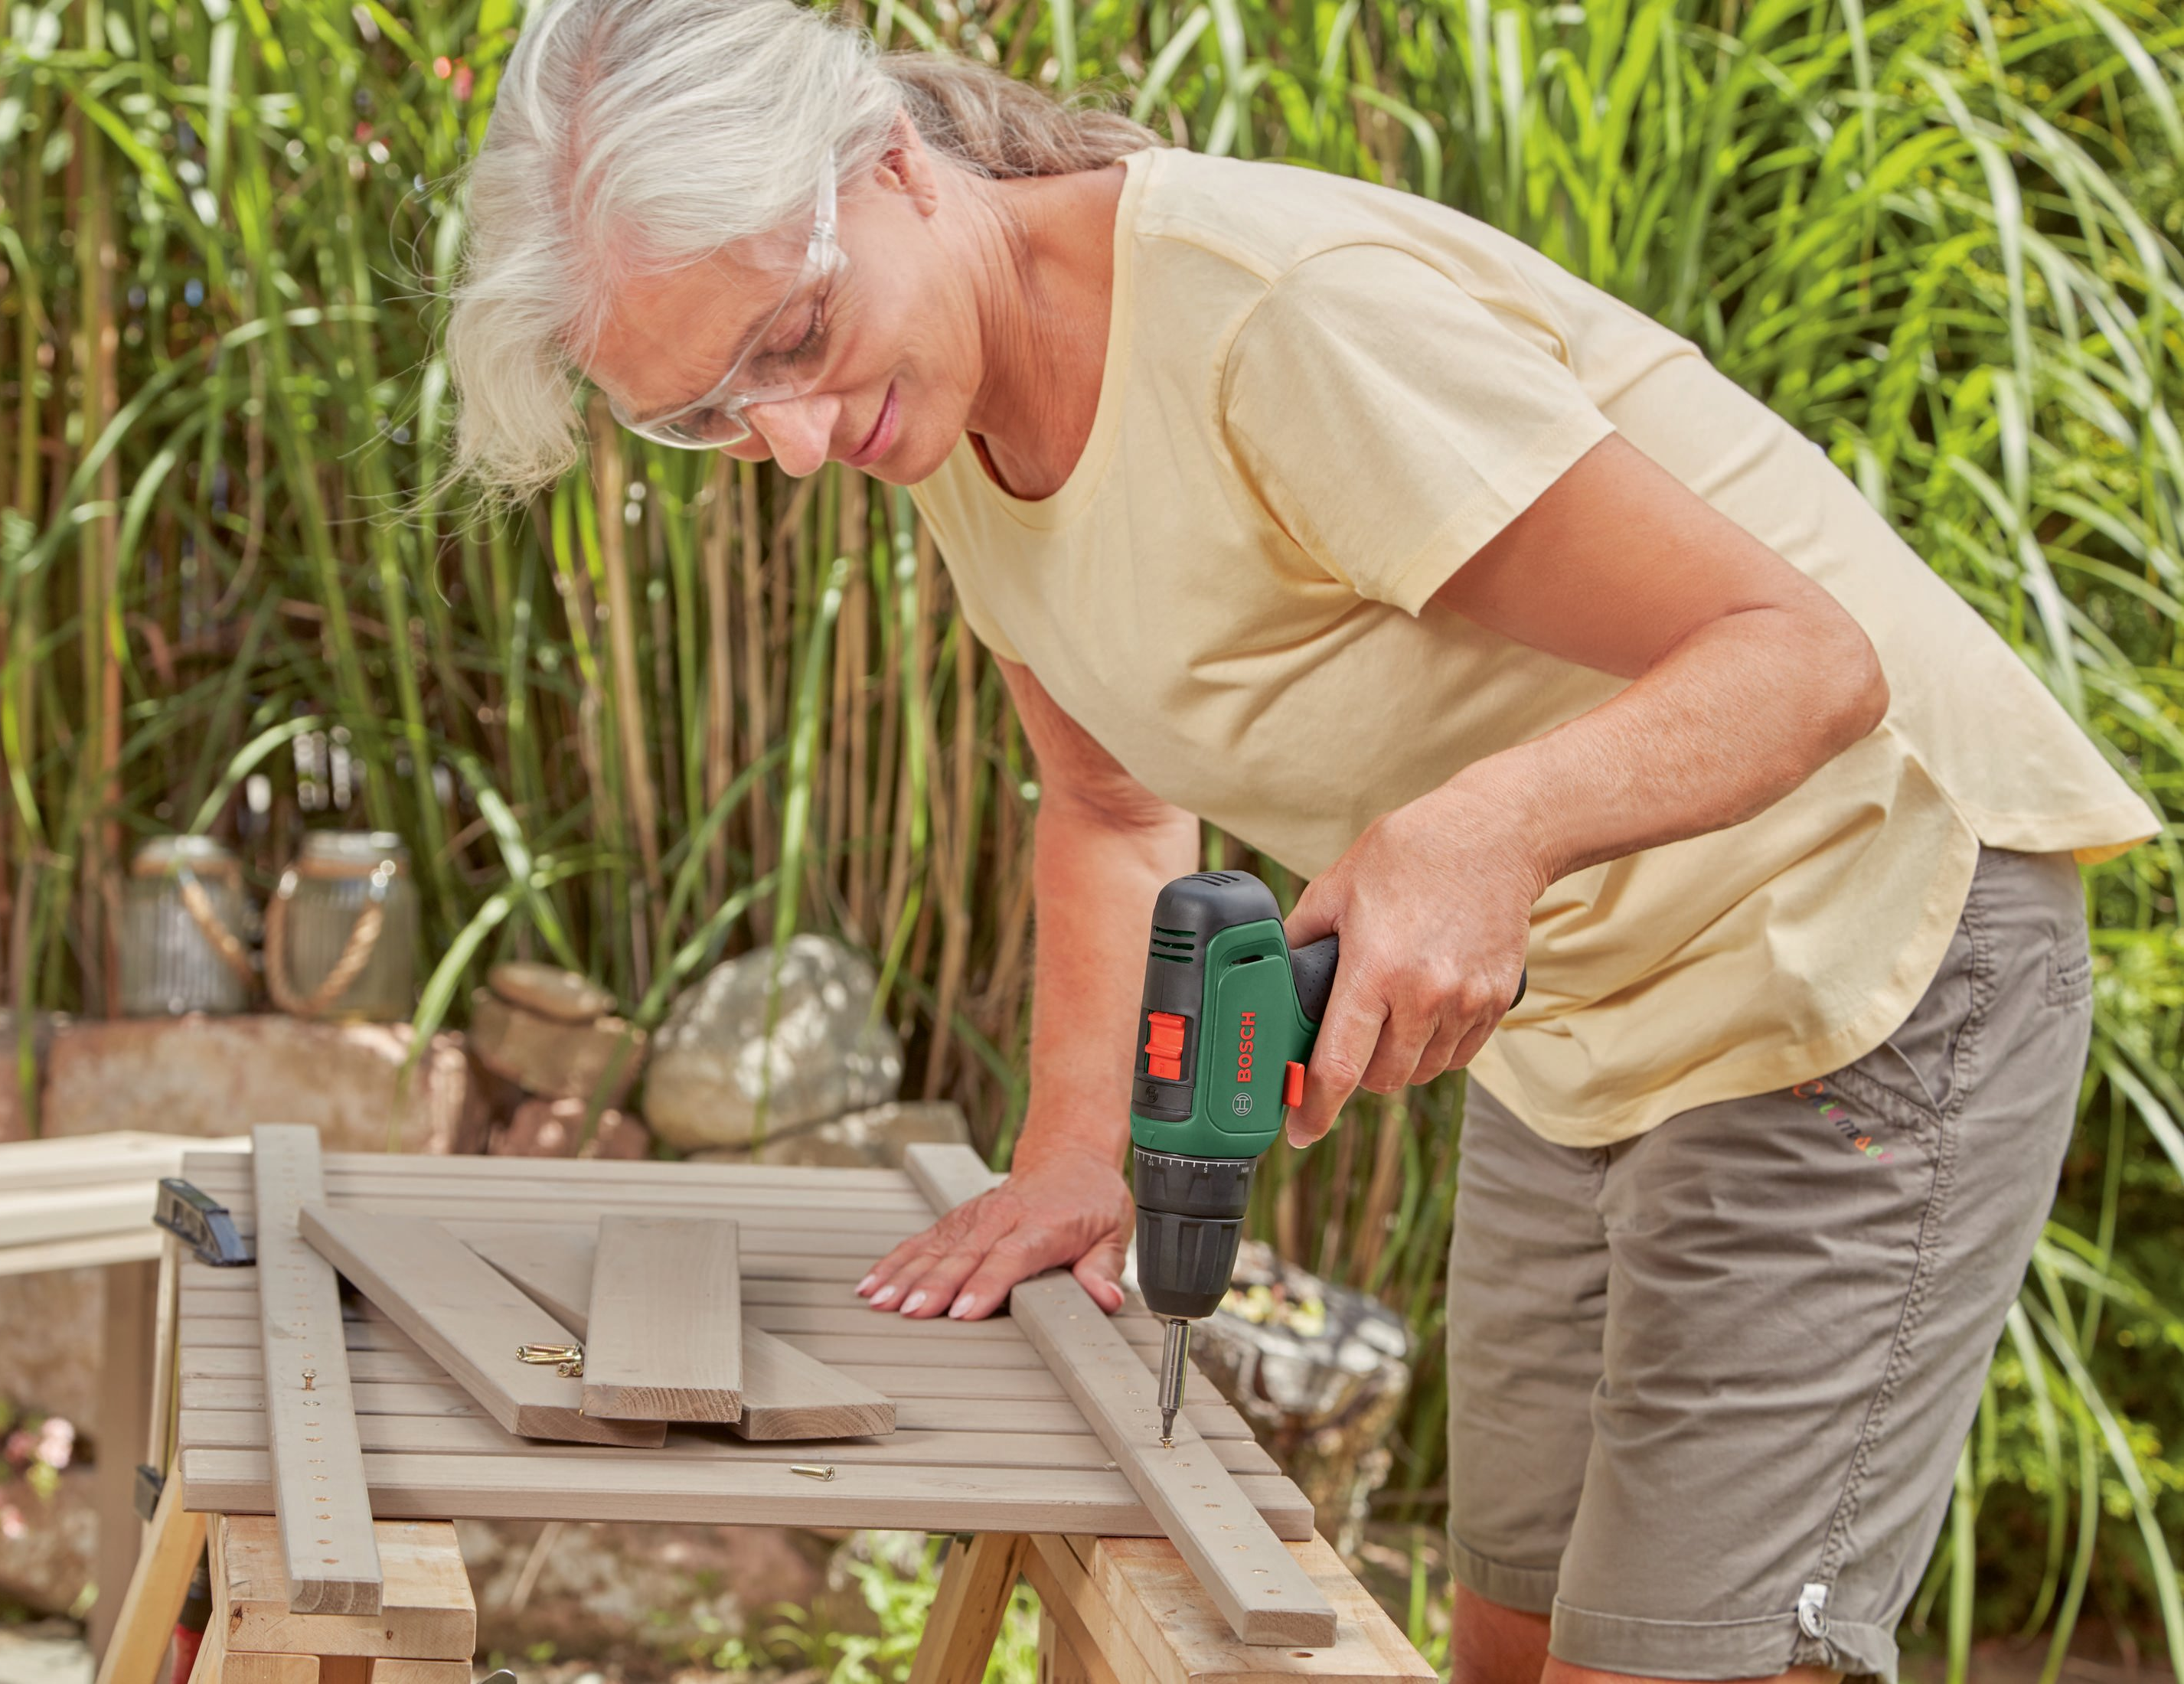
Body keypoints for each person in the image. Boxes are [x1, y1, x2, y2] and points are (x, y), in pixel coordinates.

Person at [443, 2, 2156, 1680]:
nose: (798, 445)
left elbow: (1805, 657)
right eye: (712, 413)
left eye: (797, 340)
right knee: (1513, 1638)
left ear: (892, 166)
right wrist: (1070, 1155)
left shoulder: (1271, 319)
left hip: (1854, 946)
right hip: (1586, 1024)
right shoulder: (949, 411)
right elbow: (1113, 804)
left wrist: (1481, 830)